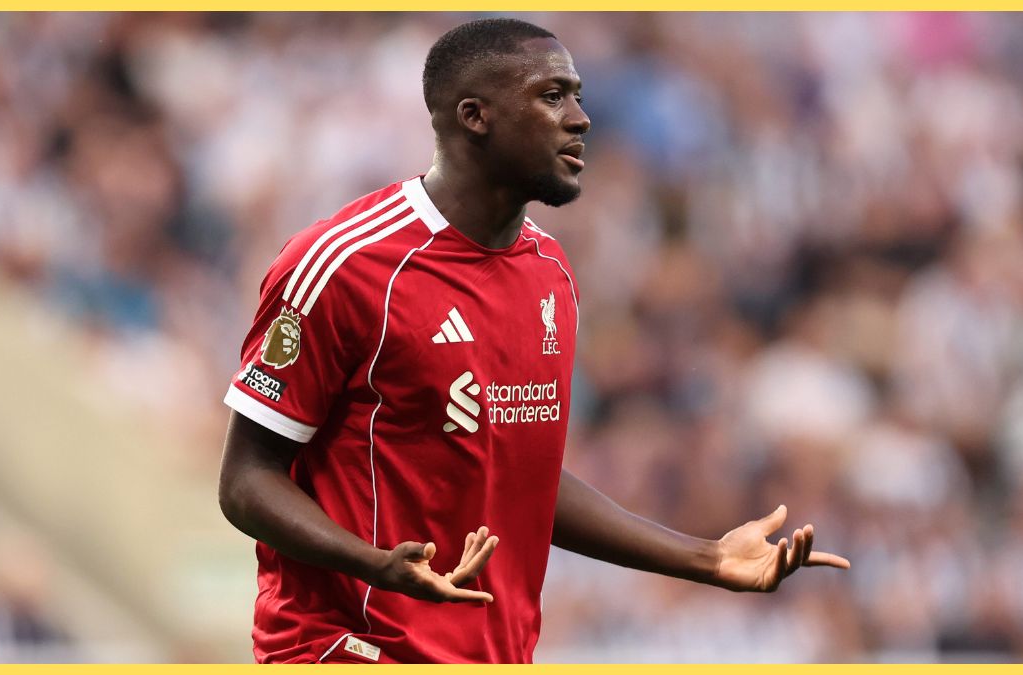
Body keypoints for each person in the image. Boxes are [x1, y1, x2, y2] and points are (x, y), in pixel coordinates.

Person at [218, 17, 850, 664]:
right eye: (552, 96)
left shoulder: (548, 273)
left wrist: (707, 556)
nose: (580, 118)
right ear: (475, 115)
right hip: (347, 648)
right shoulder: (345, 265)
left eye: (576, 95)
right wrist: (371, 563)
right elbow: (246, 480)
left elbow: (522, 477)